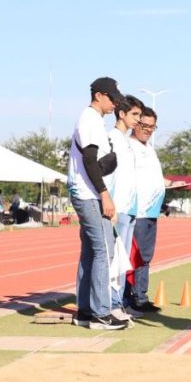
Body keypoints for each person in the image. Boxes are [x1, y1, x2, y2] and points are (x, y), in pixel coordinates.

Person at [68, 77, 128, 330]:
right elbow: (91, 161)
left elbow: (93, 161)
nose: (115, 104)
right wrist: (105, 194)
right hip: (90, 194)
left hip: (86, 191)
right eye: (113, 99)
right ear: (100, 96)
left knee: (91, 253)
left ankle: (84, 311)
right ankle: (101, 314)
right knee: (104, 251)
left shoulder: (91, 120)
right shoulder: (90, 119)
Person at [126, 106, 186, 313]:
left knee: (146, 256)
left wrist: (172, 183)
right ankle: (131, 298)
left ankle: (140, 296)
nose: (149, 130)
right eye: (144, 125)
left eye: (153, 127)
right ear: (136, 123)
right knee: (135, 256)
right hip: (138, 211)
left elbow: (154, 178)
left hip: (151, 211)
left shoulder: (149, 149)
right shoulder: (128, 146)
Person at [108, 95, 143, 322]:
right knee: (114, 259)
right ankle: (111, 303)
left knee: (124, 260)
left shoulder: (127, 142)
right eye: (135, 115)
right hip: (118, 207)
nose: (138, 120)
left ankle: (119, 302)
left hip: (131, 207)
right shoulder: (111, 138)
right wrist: (110, 205)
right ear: (122, 113)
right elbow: (108, 176)